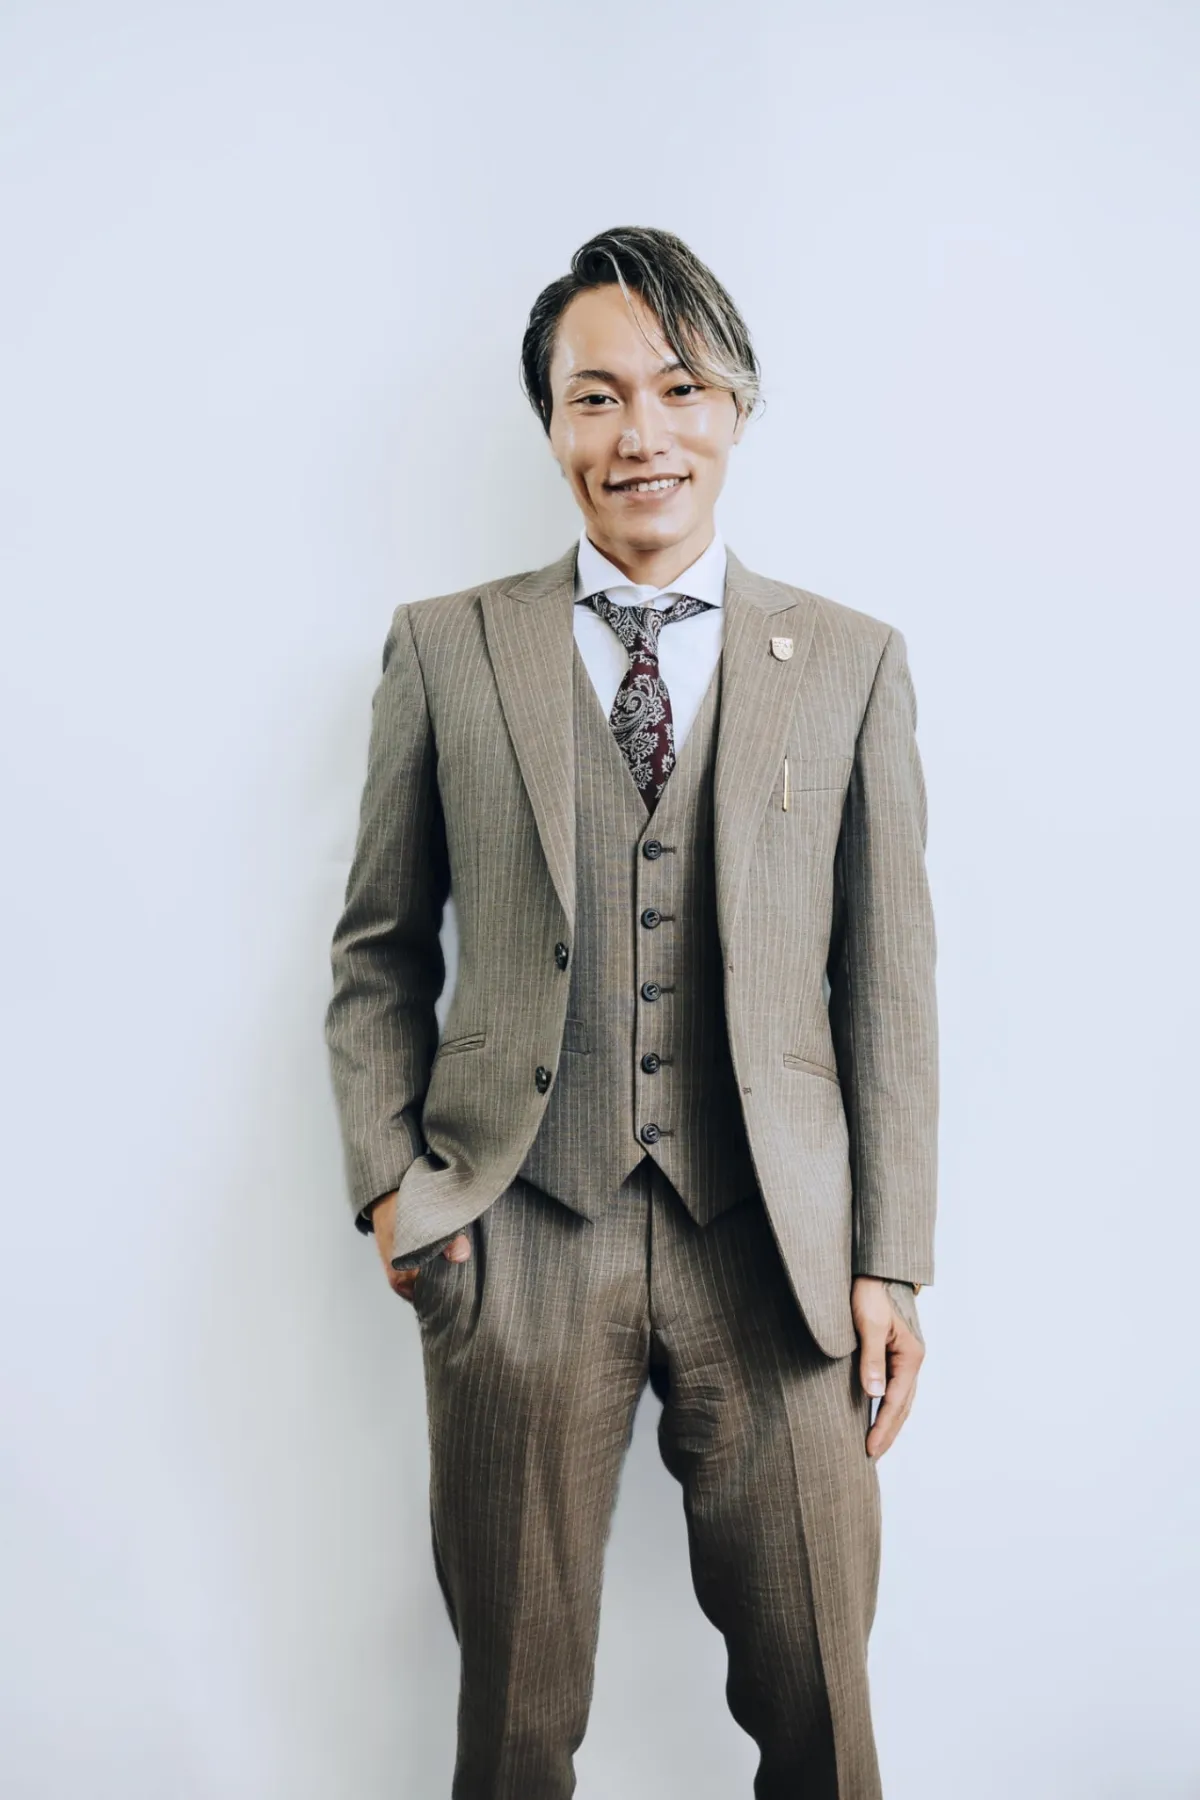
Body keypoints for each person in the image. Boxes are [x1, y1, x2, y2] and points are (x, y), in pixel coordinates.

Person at [324, 224, 938, 1799]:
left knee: (822, 1712)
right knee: (515, 1727)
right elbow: (379, 950)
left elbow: (888, 982)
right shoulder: (447, 648)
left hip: (777, 1251)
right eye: (595, 397)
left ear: (735, 406)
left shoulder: (851, 663)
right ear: (550, 422)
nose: (640, 434)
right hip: (519, 1235)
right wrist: (397, 1196)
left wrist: (888, 1256)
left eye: (678, 388)